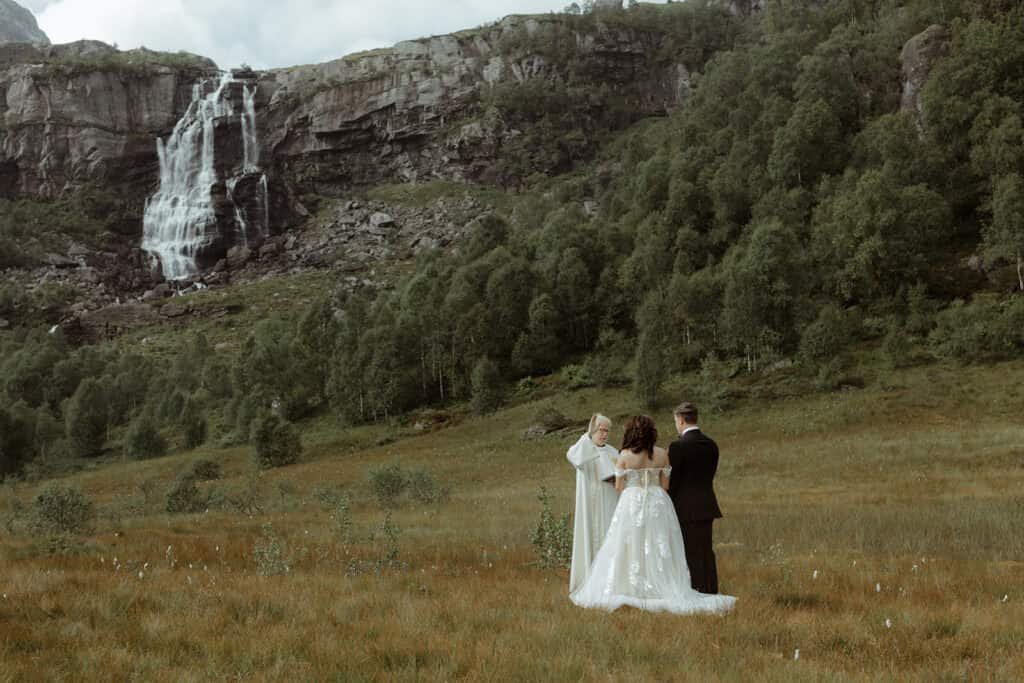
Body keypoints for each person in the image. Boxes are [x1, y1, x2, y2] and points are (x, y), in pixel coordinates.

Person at [571, 415, 735, 615]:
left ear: (631, 432)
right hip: (658, 502)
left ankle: (633, 584)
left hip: (632, 501)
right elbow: (666, 485)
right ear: (652, 432)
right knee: (659, 544)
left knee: (630, 543)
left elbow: (619, 486)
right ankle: (660, 584)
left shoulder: (624, 455)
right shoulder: (662, 454)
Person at [667, 402, 722, 594]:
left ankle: (696, 590)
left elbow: (673, 481)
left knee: (689, 552)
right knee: (706, 550)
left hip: (685, 507)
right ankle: (710, 589)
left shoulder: (678, 446)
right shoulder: (711, 445)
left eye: (676, 421)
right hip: (707, 504)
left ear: (681, 420)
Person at [566, 414, 620, 593]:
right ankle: (588, 583)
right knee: (591, 539)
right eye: (601, 430)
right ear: (592, 431)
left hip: (610, 503)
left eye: (607, 430)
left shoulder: (613, 452)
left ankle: (609, 583)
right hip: (590, 504)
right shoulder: (584, 447)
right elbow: (574, 457)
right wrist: (587, 436)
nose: (604, 434)